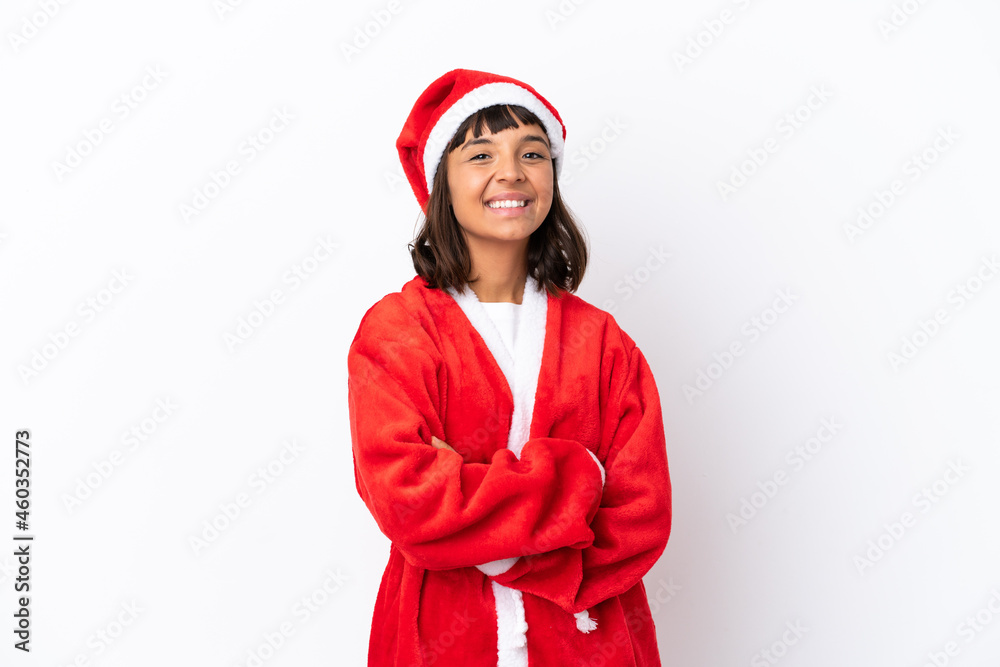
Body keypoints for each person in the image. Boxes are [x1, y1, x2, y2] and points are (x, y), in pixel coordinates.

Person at [347, 68, 672, 667]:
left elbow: (641, 515)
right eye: (480, 154)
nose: (512, 172)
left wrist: (473, 502)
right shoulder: (398, 331)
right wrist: (583, 476)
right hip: (441, 639)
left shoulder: (604, 343)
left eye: (532, 153)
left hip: (588, 640)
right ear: (441, 182)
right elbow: (409, 501)